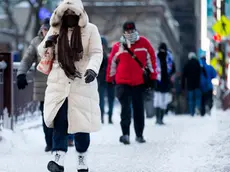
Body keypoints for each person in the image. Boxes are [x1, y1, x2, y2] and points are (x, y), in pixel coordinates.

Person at [37, 0, 103, 171]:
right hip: (59, 81)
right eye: (66, 15)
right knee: (59, 120)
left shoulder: (91, 30)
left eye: (73, 15)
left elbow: (96, 53)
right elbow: (42, 52)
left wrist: (92, 70)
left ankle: (82, 157)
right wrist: (48, 43)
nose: (69, 18)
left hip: (82, 81)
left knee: (81, 122)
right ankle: (58, 158)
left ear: (80, 15)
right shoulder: (56, 29)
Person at [106, 21, 157, 145]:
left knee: (139, 109)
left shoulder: (144, 43)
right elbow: (112, 63)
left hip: (139, 82)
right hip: (123, 82)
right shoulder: (118, 46)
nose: (130, 33)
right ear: (124, 32)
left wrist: (153, 76)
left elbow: (151, 60)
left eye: (132, 31)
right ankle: (125, 134)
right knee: (125, 110)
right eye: (127, 31)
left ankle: (139, 134)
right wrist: (109, 78)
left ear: (135, 30)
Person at [17, 18, 53, 152]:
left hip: (59, 84)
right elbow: (26, 59)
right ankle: (49, 142)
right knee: (45, 114)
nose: (46, 32)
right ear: (41, 30)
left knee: (60, 113)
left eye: (49, 29)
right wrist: (21, 74)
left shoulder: (60, 41)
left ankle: (60, 140)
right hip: (42, 85)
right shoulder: (36, 42)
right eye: (45, 29)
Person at [154, 43, 175, 125]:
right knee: (158, 100)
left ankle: (160, 118)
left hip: (164, 82)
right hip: (159, 82)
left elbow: (173, 69)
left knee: (162, 101)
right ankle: (158, 119)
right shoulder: (156, 57)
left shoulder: (168, 57)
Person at [97, 36, 115, 124]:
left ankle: (105, 117)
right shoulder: (110, 53)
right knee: (104, 100)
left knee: (104, 99)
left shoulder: (101, 54)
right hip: (108, 80)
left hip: (105, 80)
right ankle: (106, 118)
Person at [182, 52, 201, 116]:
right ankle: (197, 107)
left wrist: (183, 86)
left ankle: (192, 112)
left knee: (191, 99)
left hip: (190, 85)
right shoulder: (197, 63)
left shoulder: (187, 64)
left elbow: (183, 76)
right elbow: (200, 73)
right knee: (197, 98)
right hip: (197, 84)